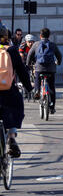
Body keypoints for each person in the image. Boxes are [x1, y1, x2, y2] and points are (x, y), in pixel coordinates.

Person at [0, 24, 33, 158]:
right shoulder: (12, 50)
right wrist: (29, 87)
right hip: (8, 90)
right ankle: (11, 137)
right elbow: (22, 71)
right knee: (15, 106)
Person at [26, 28, 62, 114]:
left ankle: (37, 90)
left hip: (39, 67)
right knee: (52, 87)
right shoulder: (53, 45)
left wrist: (28, 64)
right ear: (49, 36)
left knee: (37, 78)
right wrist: (58, 62)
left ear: (40, 36)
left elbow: (29, 55)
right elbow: (59, 55)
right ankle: (52, 107)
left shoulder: (36, 44)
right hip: (51, 68)